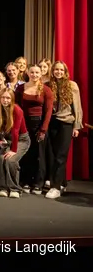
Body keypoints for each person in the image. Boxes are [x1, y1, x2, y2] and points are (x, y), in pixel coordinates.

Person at [46, 61, 83, 199]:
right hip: (53, 123)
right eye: (56, 69)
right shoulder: (49, 85)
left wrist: (77, 126)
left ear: (65, 71)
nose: (58, 72)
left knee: (61, 155)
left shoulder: (72, 85)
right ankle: (62, 183)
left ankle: (55, 187)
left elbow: (77, 106)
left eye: (61, 70)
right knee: (53, 155)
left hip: (67, 123)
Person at [16, 64, 53, 194]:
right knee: (26, 153)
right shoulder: (20, 88)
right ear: (28, 72)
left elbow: (48, 111)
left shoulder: (46, 90)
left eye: (37, 72)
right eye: (32, 72)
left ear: (41, 74)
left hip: (39, 124)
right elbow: (16, 107)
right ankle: (26, 181)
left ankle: (38, 182)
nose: (34, 75)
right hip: (24, 123)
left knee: (39, 155)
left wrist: (43, 129)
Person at [0, 87, 29, 198]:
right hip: (8, 140)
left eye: (8, 98)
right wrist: (0, 139)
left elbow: (15, 131)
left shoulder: (17, 110)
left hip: (21, 140)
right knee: (1, 159)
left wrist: (14, 150)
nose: (5, 100)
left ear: (12, 99)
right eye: (3, 98)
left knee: (11, 160)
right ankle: (3, 187)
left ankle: (15, 188)